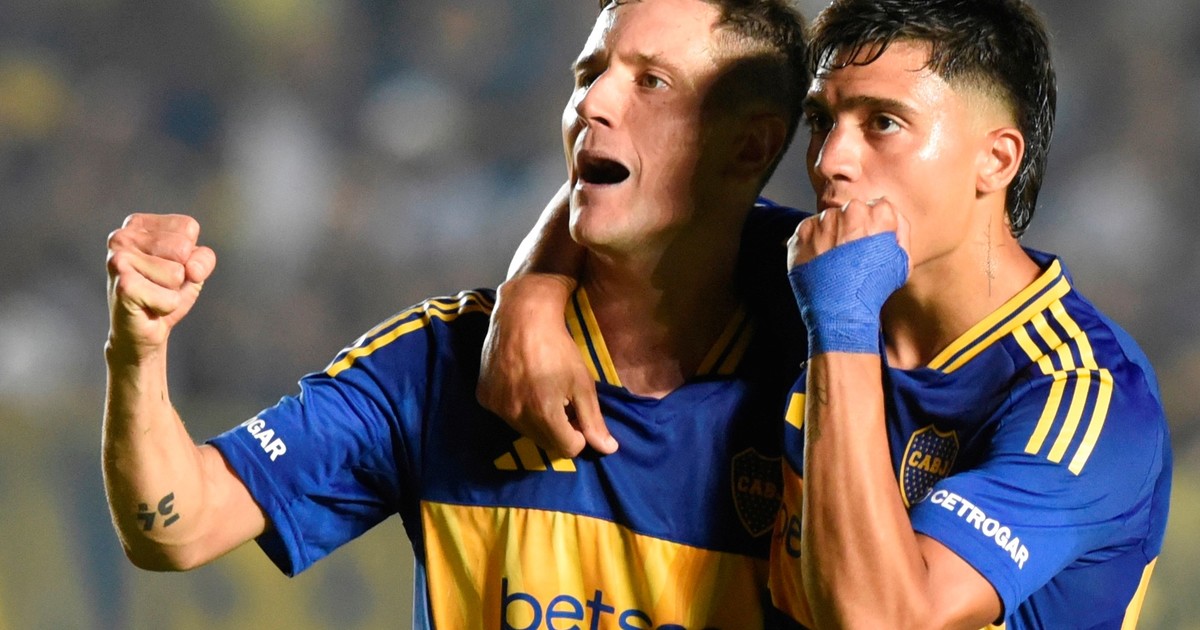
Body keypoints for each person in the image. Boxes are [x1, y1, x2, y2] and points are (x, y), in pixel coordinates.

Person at [102, 0, 811, 627]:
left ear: (749, 144)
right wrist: (138, 348)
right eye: (589, 73)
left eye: (652, 82)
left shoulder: (822, 365)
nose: (593, 103)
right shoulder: (440, 360)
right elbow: (178, 525)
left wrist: (533, 286)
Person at [478, 0, 1172, 628]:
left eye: (883, 124)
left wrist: (842, 319)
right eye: (822, 121)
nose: (831, 160)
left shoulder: (1086, 399)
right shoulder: (807, 268)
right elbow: (639, 202)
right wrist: (531, 295)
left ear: (996, 159)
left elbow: (882, 622)